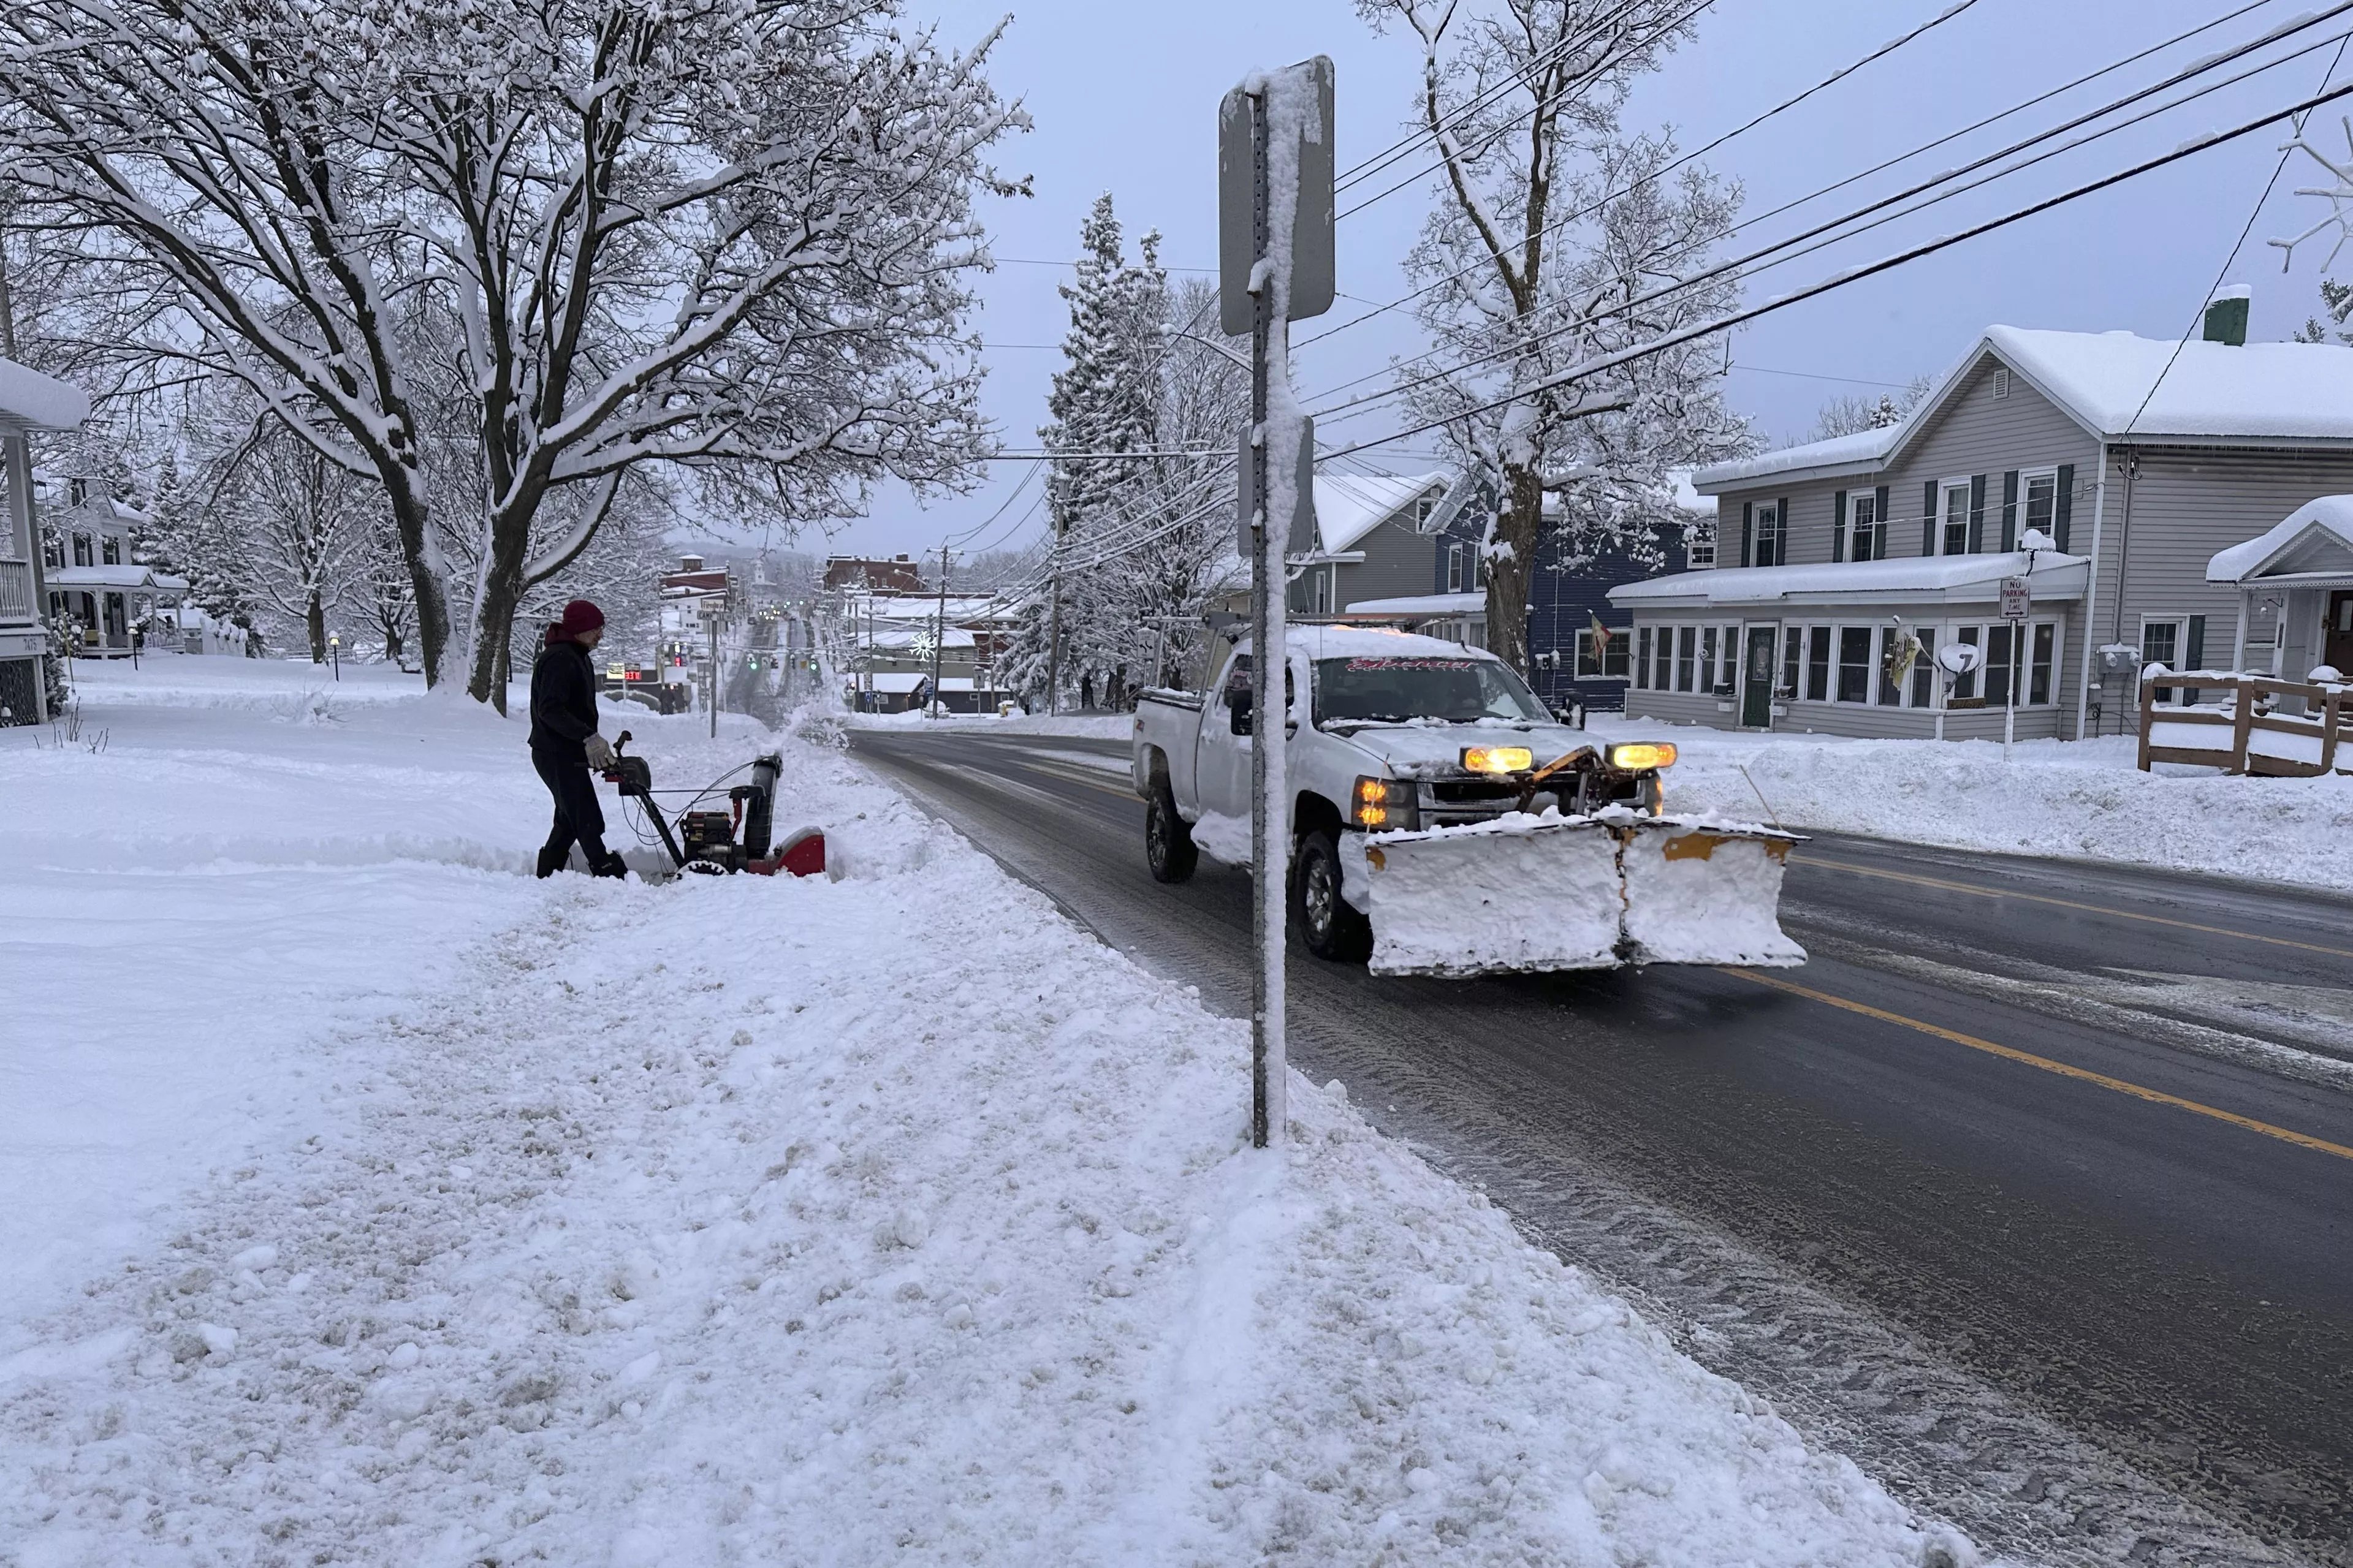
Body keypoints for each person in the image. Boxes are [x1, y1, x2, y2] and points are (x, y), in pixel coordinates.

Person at [529, 599, 626, 879]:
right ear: (580, 629)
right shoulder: (560, 658)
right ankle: (603, 867)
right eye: (596, 628)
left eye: (602, 628)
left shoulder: (578, 655)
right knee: (584, 813)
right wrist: (587, 736)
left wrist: (590, 741)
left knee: (569, 815)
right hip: (554, 752)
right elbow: (549, 710)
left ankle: (548, 872)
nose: (600, 634)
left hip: (567, 751)